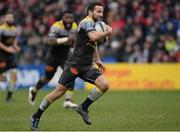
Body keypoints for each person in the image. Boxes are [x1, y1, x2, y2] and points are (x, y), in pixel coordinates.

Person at [30, 2, 112, 130]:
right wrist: (108, 32)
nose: (101, 14)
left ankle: (83, 107)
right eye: (98, 11)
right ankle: (36, 116)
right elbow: (93, 36)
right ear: (90, 12)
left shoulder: (95, 24)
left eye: (102, 12)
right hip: (74, 64)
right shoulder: (86, 22)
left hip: (87, 66)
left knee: (104, 85)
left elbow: (93, 43)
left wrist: (98, 60)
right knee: (57, 93)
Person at [28, 10, 78, 108]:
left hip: (65, 55)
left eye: (71, 18)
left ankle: (68, 100)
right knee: (47, 78)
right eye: (67, 17)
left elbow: (72, 42)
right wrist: (66, 39)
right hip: (53, 56)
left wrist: (72, 47)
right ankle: (34, 90)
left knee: (71, 74)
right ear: (62, 18)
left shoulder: (74, 26)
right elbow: (50, 41)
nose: (69, 20)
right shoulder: (56, 26)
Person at [0, 13, 21, 102]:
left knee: (14, 75)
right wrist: (7, 49)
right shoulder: (1, 29)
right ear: (5, 19)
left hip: (11, 55)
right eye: (8, 17)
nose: (10, 19)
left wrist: (16, 47)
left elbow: (13, 41)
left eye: (11, 17)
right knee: (3, 76)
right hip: (1, 54)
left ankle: (9, 97)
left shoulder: (15, 29)